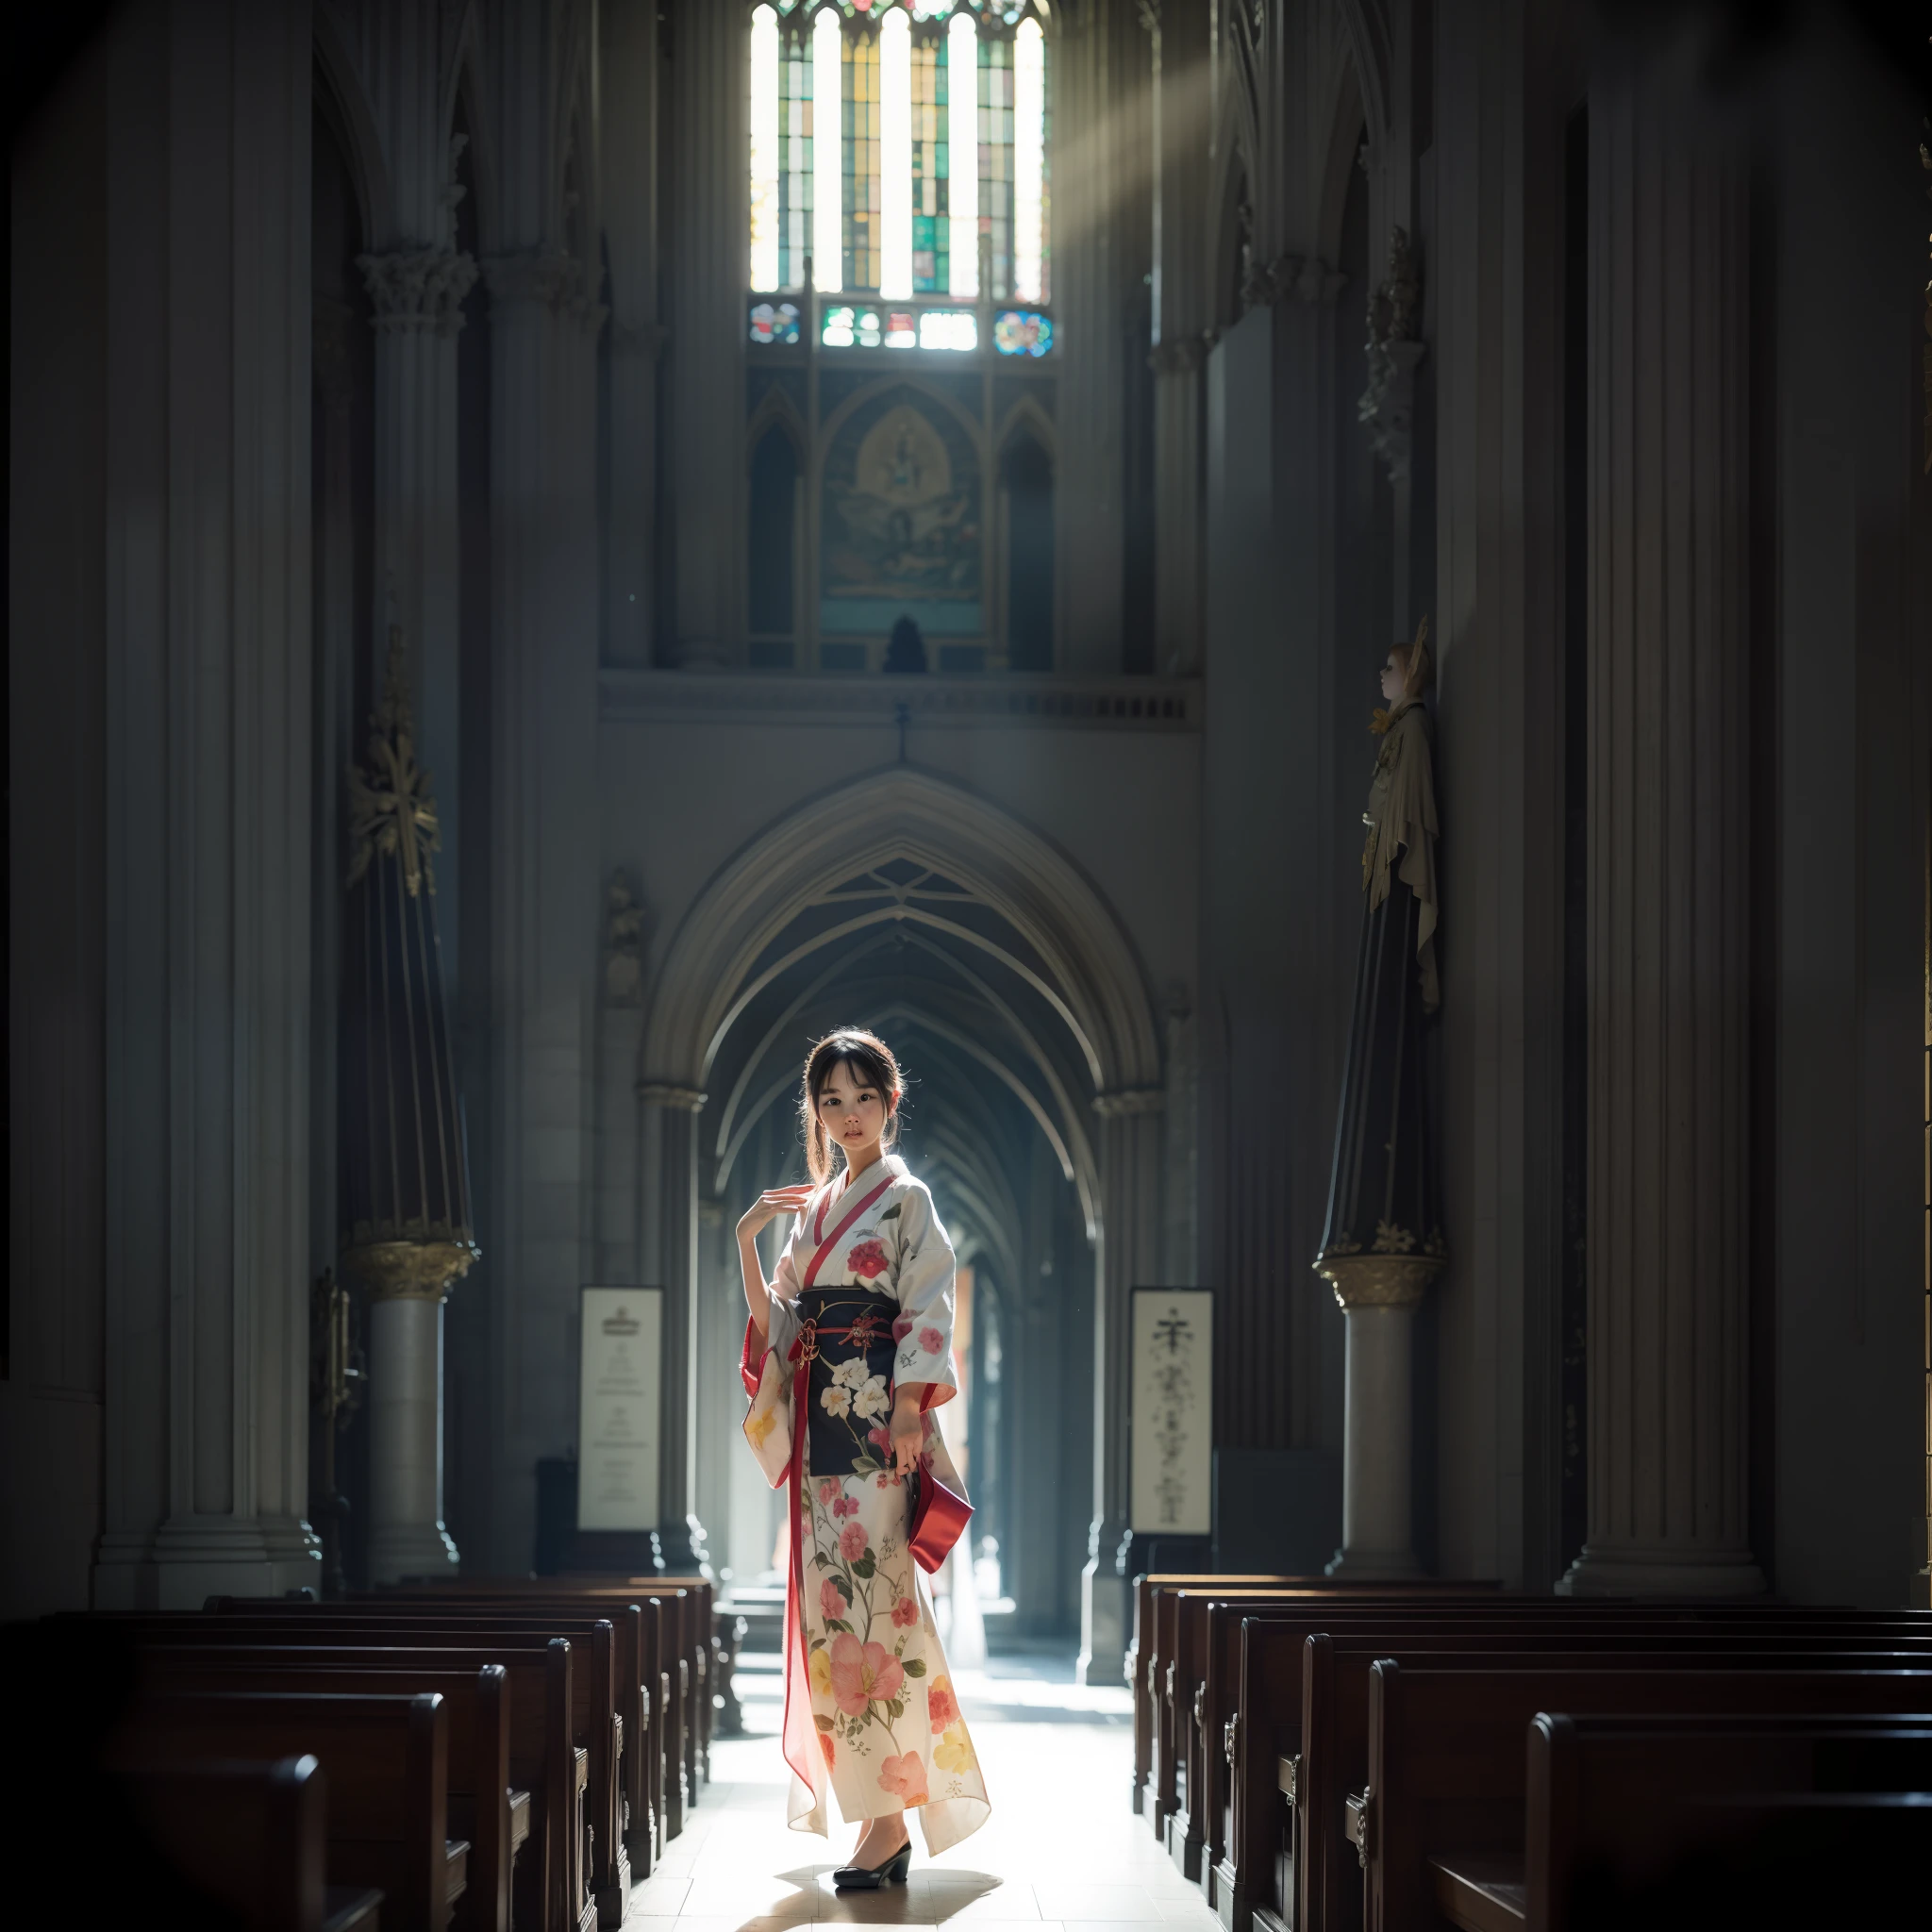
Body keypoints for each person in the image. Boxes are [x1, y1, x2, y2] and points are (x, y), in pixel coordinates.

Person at [737, 1028, 990, 1888]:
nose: (848, 1116)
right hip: (820, 1439)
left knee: (878, 1615)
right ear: (816, 1110)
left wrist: (913, 1404)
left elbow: (927, 1307)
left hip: (876, 1428)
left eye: (863, 1098)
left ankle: (888, 1821)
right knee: (832, 1620)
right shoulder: (811, 1210)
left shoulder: (905, 1199)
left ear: (890, 1101)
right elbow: (779, 1326)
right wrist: (747, 1240)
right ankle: (880, 1819)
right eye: (831, 1102)